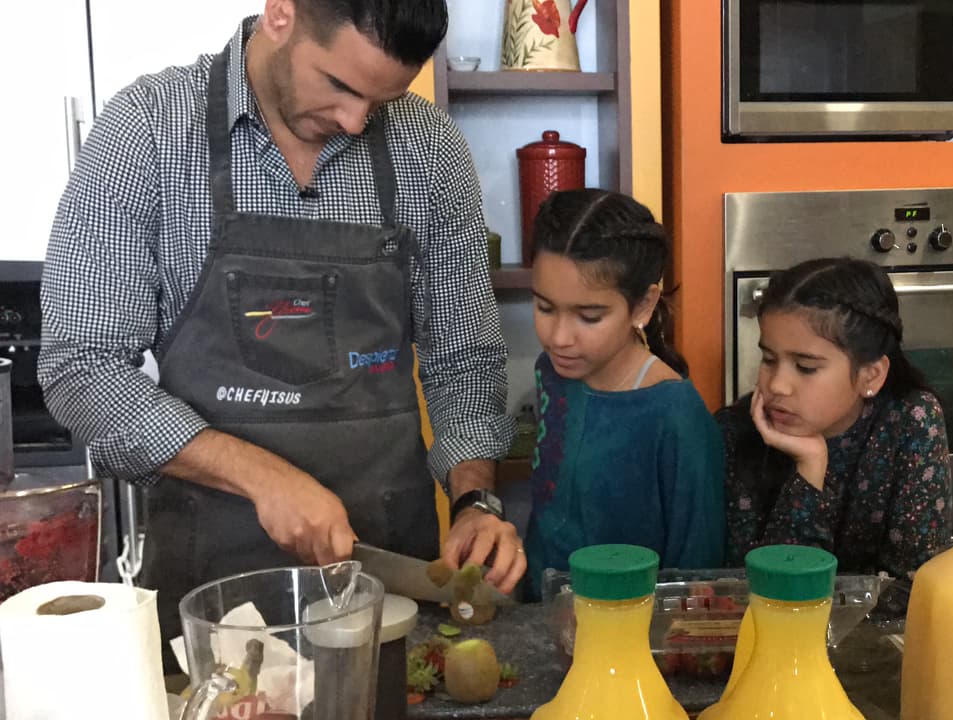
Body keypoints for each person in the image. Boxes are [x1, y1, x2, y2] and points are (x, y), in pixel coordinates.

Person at [37, 0, 523, 650]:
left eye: (379, 102)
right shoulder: (148, 131)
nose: (356, 122)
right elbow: (80, 368)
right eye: (341, 86)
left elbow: (464, 363)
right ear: (280, 14)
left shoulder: (429, 150)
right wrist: (263, 477)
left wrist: (474, 501)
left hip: (387, 596)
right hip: (208, 596)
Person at [523, 189, 725, 598]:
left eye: (589, 316)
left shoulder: (675, 413)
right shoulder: (553, 372)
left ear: (643, 306)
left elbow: (699, 573)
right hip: (542, 619)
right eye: (545, 308)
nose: (559, 337)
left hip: (628, 638)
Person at [717, 257, 951, 578]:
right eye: (769, 359)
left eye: (806, 367)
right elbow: (770, 588)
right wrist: (810, 467)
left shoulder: (912, 419)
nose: (776, 385)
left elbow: (915, 583)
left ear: (871, 375)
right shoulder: (735, 431)